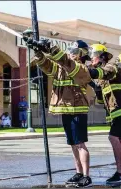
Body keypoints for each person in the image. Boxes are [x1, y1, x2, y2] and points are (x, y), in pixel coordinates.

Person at [27, 39, 93, 187]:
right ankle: (78, 173)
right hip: (66, 109)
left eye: (74, 51)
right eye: (70, 50)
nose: (71, 53)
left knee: (80, 144)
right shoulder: (62, 68)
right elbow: (47, 66)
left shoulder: (81, 68)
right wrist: (38, 52)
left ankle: (87, 176)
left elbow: (68, 64)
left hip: (77, 110)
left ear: (82, 54)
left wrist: (52, 49)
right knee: (73, 144)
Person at [88, 44, 121, 183]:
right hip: (118, 110)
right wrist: (92, 83)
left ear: (101, 56)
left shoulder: (111, 67)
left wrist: (87, 70)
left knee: (113, 137)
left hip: (120, 108)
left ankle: (120, 172)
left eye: (93, 55)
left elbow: (104, 73)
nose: (91, 58)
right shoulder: (102, 76)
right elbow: (100, 96)